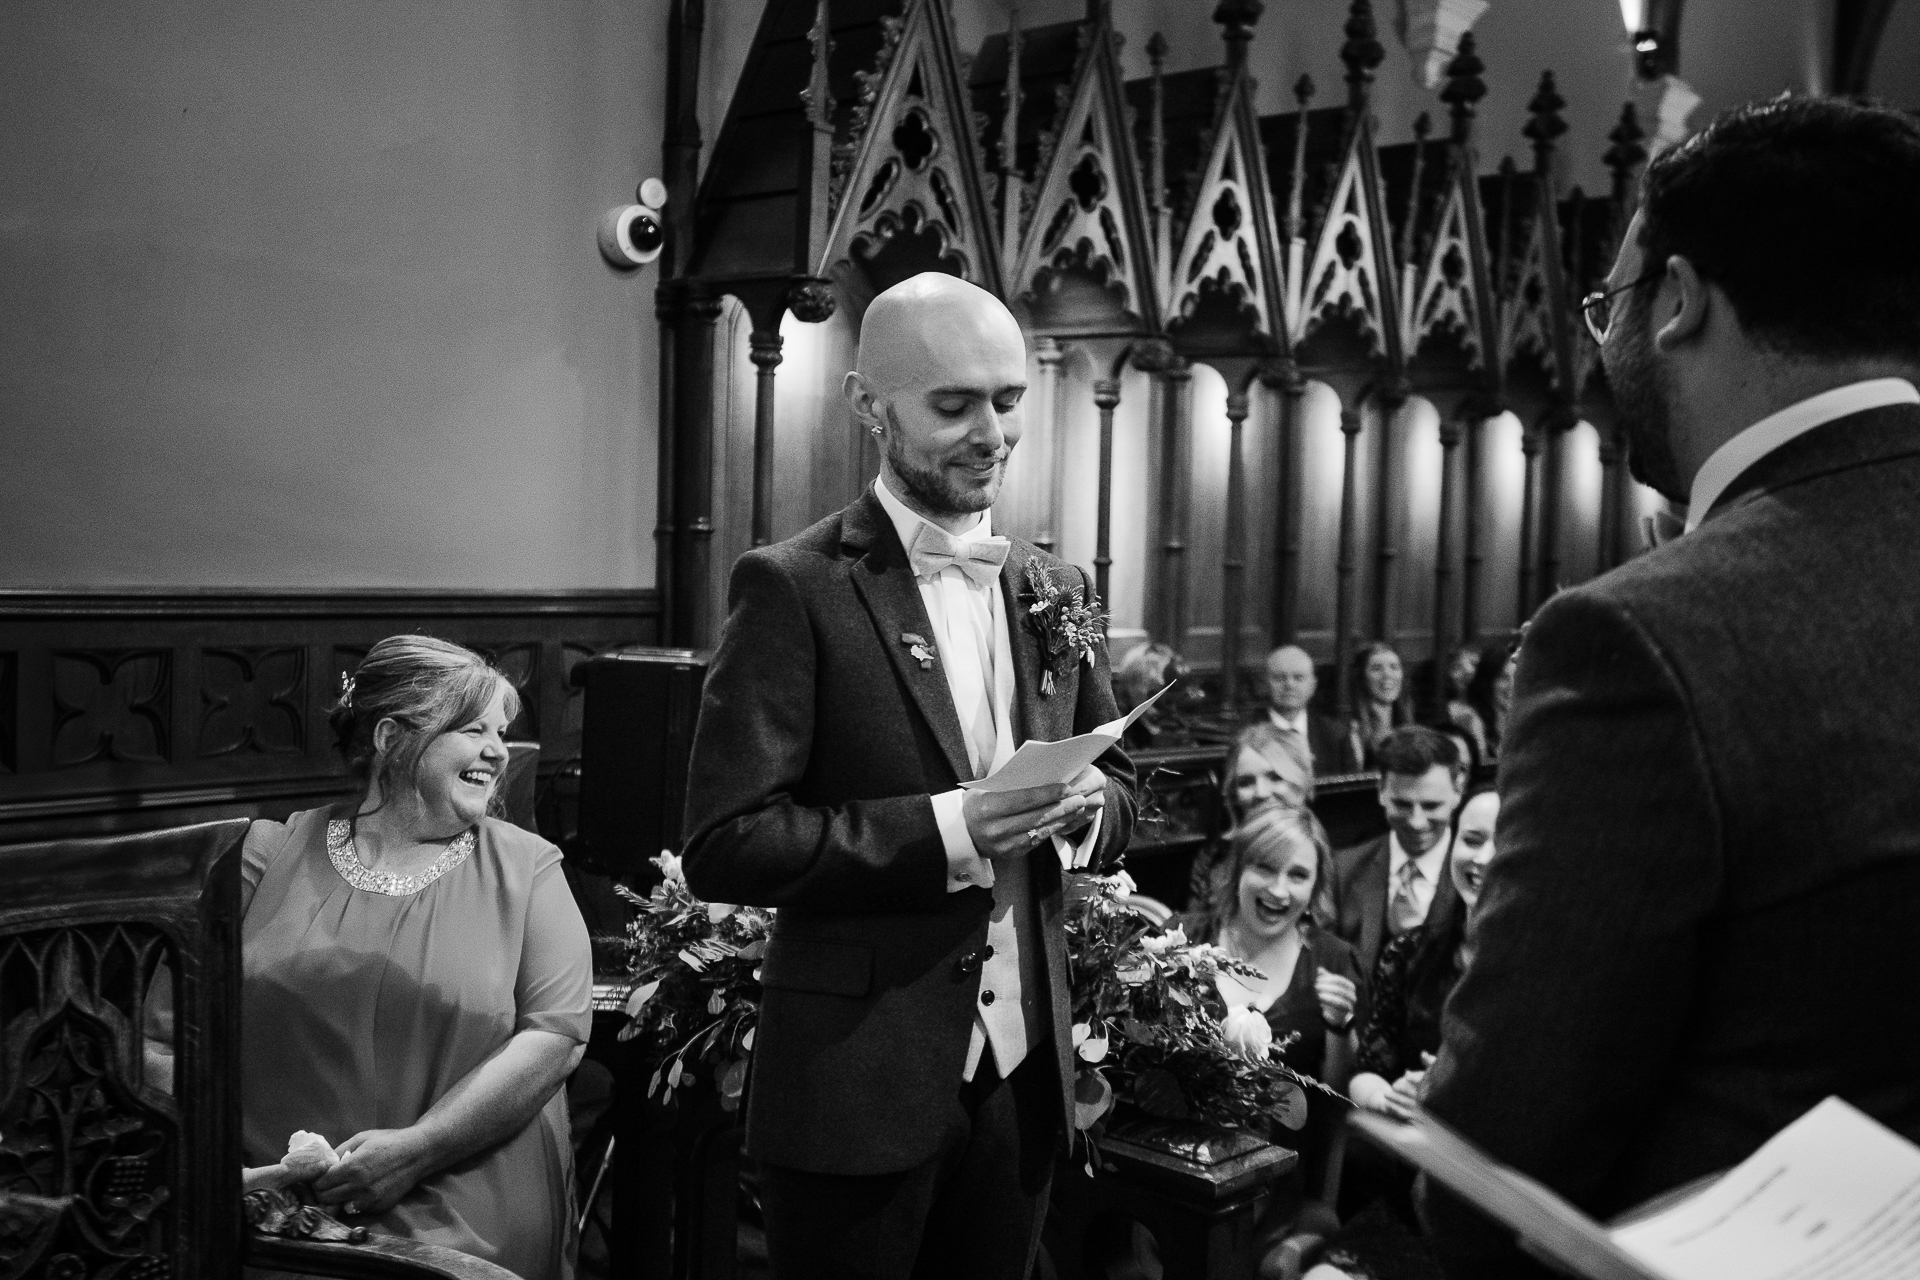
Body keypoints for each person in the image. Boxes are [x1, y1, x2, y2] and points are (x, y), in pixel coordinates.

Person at [1420, 97, 1920, 1277]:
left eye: (1610, 304)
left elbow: (1503, 1164)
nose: (1607, 345)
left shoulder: (1643, 638)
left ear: (1680, 299)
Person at [680, 272, 1138, 1280]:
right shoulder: (793, 585)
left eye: (1009, 400)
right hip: (856, 1081)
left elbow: (1121, 780)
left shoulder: (1053, 586)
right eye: (953, 403)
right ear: (866, 405)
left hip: (1021, 1070)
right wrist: (956, 826)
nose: (993, 432)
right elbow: (727, 839)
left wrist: (1087, 809)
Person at [241, 635, 592, 1280]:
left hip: (463, 1214)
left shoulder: (527, 869)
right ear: (389, 738)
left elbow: (556, 1035)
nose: (497, 750)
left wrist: (415, 1152)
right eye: (472, 728)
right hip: (275, 1215)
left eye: (502, 731)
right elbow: (166, 1037)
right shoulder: (265, 857)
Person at [1180, 805, 1365, 1198]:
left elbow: (1337, 1097)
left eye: (1297, 875)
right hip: (1181, 1168)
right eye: (1264, 868)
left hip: (1281, 1178)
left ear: (1315, 889)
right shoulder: (1184, 940)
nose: (1278, 890)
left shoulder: (1333, 960)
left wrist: (1339, 1025)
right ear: (1237, 871)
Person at [1326, 726, 1464, 979]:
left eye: (1431, 805)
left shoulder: (1477, 873)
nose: (1416, 821)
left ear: (1458, 791)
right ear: (1381, 791)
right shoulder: (1342, 869)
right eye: (1402, 804)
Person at [1188, 720, 1316, 907]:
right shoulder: (1214, 857)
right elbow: (1194, 930)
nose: (1261, 793)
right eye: (1246, 782)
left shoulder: (1325, 853)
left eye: (1275, 777)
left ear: (1302, 783)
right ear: (1233, 795)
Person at [1262, 644, 1361, 776]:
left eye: (1298, 678)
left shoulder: (1337, 735)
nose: (1289, 685)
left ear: (1313, 685)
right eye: (1279, 678)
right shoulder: (1244, 734)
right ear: (1264, 684)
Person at [1343, 642, 1413, 770]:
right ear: (1362, 679)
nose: (1387, 674)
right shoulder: (1352, 730)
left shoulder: (1410, 727)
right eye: (1376, 668)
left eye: (1394, 667)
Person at [1461, 638, 1516, 760]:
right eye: (1503, 678)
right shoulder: (1471, 721)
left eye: (1517, 677)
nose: (1512, 685)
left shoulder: (1523, 719)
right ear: (1488, 681)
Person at [1440, 645, 1487, 762]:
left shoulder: (1493, 707)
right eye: (1457, 667)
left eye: (1474, 664)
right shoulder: (1446, 711)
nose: (1468, 671)